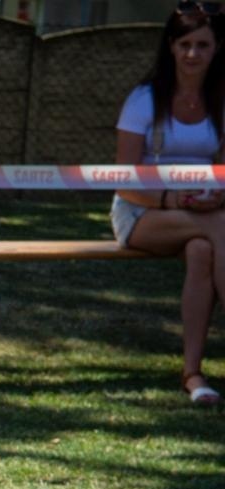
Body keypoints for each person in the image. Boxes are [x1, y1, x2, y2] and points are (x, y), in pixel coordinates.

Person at [112, 2, 225, 407]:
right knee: (219, 229)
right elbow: (124, 181)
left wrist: (217, 195)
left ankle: (193, 375)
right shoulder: (143, 99)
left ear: (216, 49)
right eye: (184, 44)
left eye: (203, 45)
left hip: (205, 213)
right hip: (141, 212)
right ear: (171, 48)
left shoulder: (220, 100)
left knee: (202, 250)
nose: (193, 53)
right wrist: (171, 199)